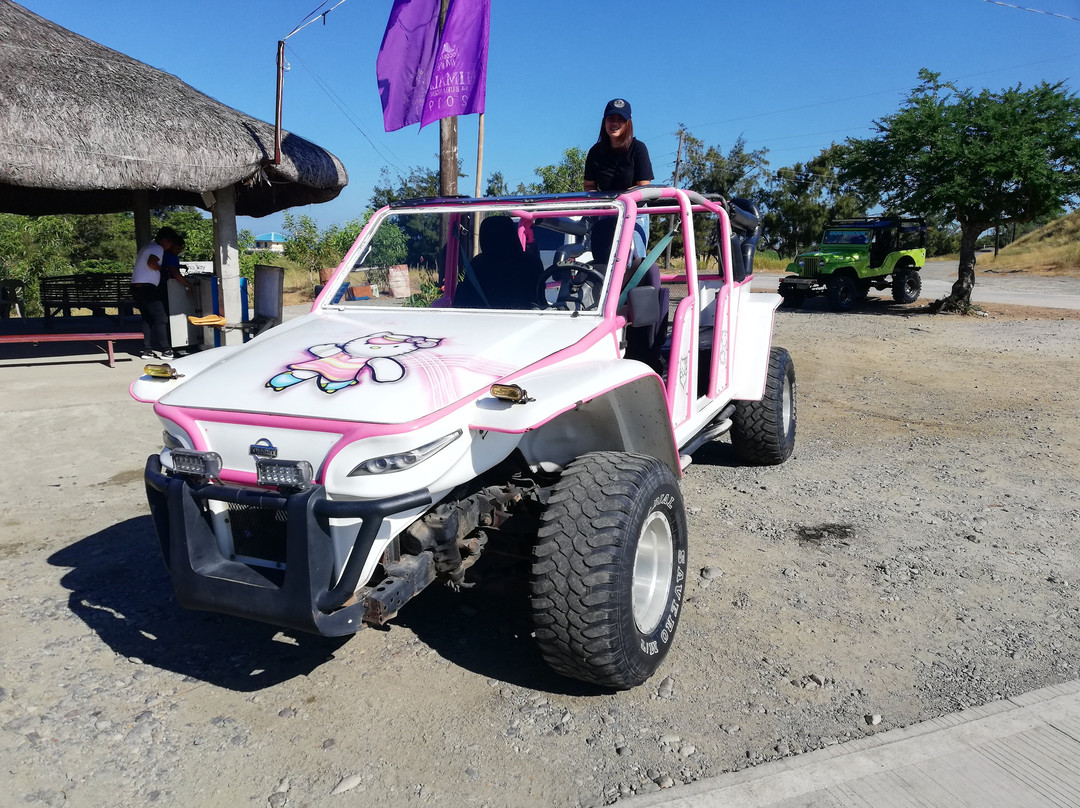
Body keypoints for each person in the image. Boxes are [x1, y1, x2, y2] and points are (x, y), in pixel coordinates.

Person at [583, 98, 653, 257]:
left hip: (635, 211)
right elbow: (589, 187)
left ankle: (633, 279)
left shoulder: (638, 149)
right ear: (604, 122)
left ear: (628, 123)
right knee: (605, 260)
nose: (615, 123)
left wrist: (621, 200)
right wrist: (602, 204)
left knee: (633, 258)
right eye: (611, 119)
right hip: (606, 210)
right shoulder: (595, 152)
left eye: (620, 119)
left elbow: (645, 187)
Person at [131, 226, 178, 359]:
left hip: (136, 287)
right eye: (169, 243)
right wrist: (161, 269)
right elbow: (152, 263)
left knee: (147, 318)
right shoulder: (157, 248)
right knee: (161, 318)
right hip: (147, 288)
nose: (169, 247)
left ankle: (147, 350)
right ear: (164, 241)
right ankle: (166, 350)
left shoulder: (147, 246)